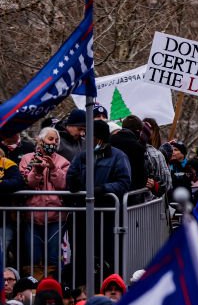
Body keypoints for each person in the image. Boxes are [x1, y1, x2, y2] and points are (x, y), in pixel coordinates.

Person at [67, 120, 132, 280]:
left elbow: (124, 182)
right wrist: (74, 184)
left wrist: (103, 189)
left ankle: (106, 285)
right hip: (82, 215)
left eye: (90, 135)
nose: (85, 138)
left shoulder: (118, 157)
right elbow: (70, 177)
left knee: (106, 254)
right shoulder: (82, 156)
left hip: (107, 216)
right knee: (81, 254)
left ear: (99, 138)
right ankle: (81, 287)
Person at [18, 127, 70, 276]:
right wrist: (37, 171)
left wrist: (53, 169)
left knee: (53, 258)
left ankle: (55, 288)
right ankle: (34, 291)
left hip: (56, 217)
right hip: (32, 217)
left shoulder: (63, 161)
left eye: (56, 140)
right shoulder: (27, 159)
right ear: (40, 140)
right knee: (34, 257)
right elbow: (26, 183)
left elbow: (64, 184)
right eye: (50, 139)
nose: (53, 142)